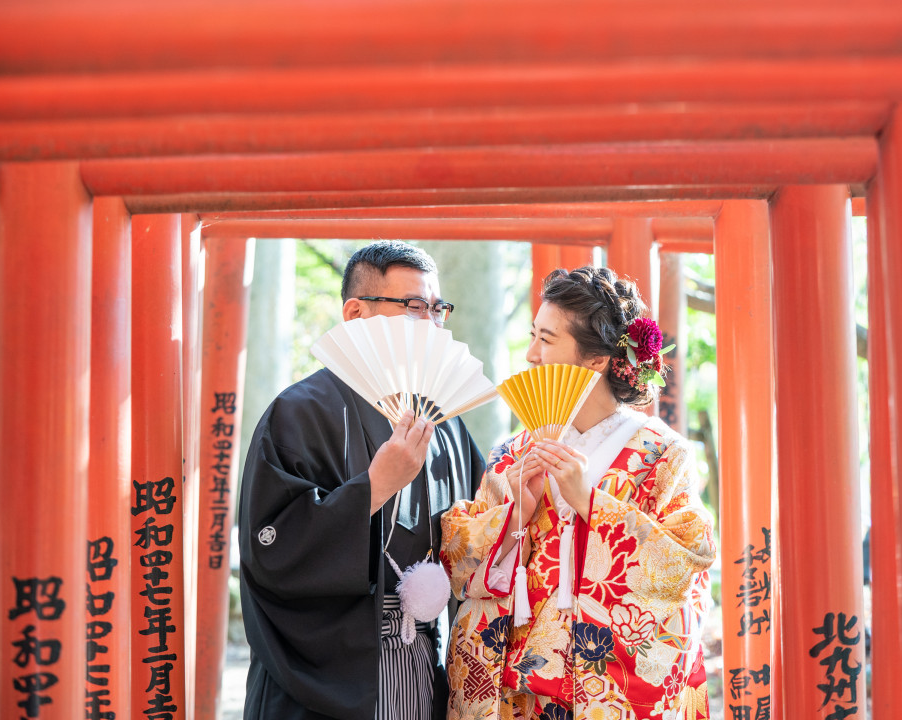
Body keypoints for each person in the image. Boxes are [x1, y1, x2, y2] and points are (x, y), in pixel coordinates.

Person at [441, 266, 717, 720]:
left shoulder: (662, 457)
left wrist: (591, 502)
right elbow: (458, 562)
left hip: (605, 688)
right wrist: (513, 516)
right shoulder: (514, 452)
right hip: (515, 691)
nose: (530, 355)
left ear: (596, 360)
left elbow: (686, 567)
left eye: (546, 340)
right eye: (533, 336)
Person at [238, 240, 485, 720]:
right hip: (327, 673)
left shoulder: (446, 420)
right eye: (414, 307)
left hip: (418, 660)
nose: (432, 323)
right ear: (355, 314)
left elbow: (478, 533)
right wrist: (373, 489)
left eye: (437, 309)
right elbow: (271, 550)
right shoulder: (299, 413)